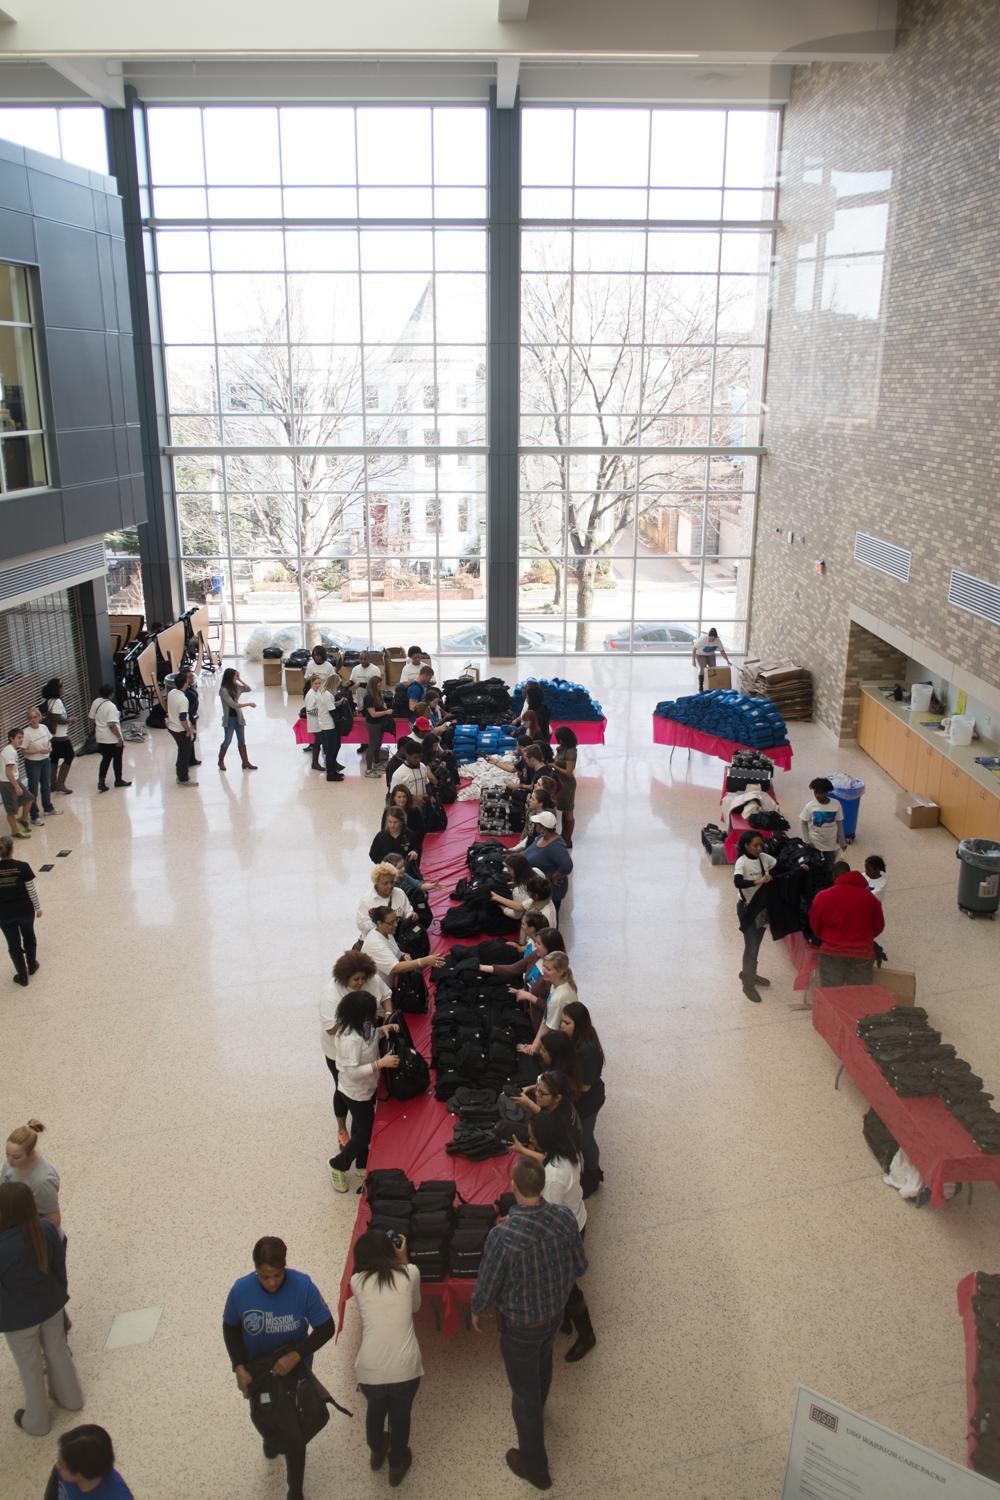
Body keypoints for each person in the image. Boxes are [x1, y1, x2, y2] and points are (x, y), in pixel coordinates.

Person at [470, 1155, 587, 1490]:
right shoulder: (564, 1218)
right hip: (555, 1313)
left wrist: (477, 1309)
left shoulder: (502, 1236)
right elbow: (580, 1265)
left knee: (523, 1393)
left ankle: (535, 1467)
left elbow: (489, 1283)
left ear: (513, 1186)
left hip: (520, 1325)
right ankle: (541, 1402)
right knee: (544, 1360)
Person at [223, 1235, 335, 1500]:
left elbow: (326, 1327)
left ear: (285, 1267)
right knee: (263, 1413)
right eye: (265, 1277)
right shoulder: (241, 1291)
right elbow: (231, 1327)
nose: (272, 1283)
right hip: (259, 1373)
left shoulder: (303, 1287)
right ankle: (271, 1441)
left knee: (294, 1437)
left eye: (277, 1275)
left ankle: (295, 1491)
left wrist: (297, 1355)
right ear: (256, 1271)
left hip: (294, 1374)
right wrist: (238, 1366)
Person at [0, 1181, 83, 1436]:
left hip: (17, 1317)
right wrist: (59, 1292)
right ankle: (72, 1399)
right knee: (58, 1353)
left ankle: (37, 1421)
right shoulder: (46, 1229)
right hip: (51, 1303)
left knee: (30, 1367)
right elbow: (60, 1264)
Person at [351, 1229, 423, 1486]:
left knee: (375, 1411)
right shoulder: (410, 1274)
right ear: (390, 1250)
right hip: (406, 1369)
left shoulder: (357, 1283)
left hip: (370, 1370)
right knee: (401, 1416)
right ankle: (396, 1463)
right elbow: (415, 1307)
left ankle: (376, 1449)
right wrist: (403, 1259)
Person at [327, 990, 401, 1192]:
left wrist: (382, 1029)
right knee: (366, 1132)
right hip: (354, 1092)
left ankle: (361, 1162)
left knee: (361, 1126)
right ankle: (338, 1164)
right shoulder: (350, 1039)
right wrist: (380, 1063)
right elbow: (351, 1072)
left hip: (366, 1089)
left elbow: (370, 1037)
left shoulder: (364, 1026)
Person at [321, 953, 393, 1148]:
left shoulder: (370, 982)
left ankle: (361, 1151)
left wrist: (385, 1020)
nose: (361, 982)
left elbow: (386, 995)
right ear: (345, 978)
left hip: (364, 1040)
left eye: (363, 978)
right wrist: (357, 1019)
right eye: (356, 979)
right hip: (340, 1054)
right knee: (343, 1090)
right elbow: (331, 1029)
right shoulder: (331, 995)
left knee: (362, 1114)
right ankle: (342, 1129)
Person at [809, 861, 885, 988]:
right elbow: (879, 926)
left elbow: (815, 926)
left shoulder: (822, 897)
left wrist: (828, 938)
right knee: (857, 996)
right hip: (862, 953)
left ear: (834, 877)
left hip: (832, 953)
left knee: (831, 995)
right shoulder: (871, 899)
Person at [560, 1001, 605, 1197]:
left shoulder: (587, 1050)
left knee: (586, 1139)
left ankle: (593, 1174)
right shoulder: (580, 1038)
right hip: (582, 1097)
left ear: (578, 1024)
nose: (562, 1026)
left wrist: (560, 1087)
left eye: (566, 1023)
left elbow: (585, 1086)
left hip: (588, 1101)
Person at [733, 829, 777, 1003]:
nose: (759, 848)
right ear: (746, 846)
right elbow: (737, 882)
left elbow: (779, 865)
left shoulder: (765, 858)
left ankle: (751, 973)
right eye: (755, 845)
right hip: (747, 910)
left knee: (756, 945)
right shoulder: (741, 863)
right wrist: (758, 881)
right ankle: (747, 982)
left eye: (761, 844)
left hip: (762, 909)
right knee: (751, 946)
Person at [45, 1423, 134, 1500]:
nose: (57, 1466)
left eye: (62, 1465)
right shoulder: (64, 1468)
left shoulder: (118, 1497)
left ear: (81, 1473)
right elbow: (51, 1494)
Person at [360, 906, 444, 985]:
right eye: (391, 922)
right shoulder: (376, 944)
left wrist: (402, 955)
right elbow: (396, 967)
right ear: (379, 923)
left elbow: (394, 950)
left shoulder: (386, 932)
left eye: (396, 920)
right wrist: (424, 961)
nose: (395, 925)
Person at [0, 835, 42, 984]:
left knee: (13, 944)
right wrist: (38, 908)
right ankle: (32, 965)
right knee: (29, 936)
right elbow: (31, 891)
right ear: (12, 849)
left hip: (4, 913)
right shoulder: (23, 866)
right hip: (25, 910)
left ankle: (22, 975)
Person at [2, 1121, 60, 1227]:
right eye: (7, 1154)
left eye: (16, 1157)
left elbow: (53, 1221)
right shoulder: (11, 1164)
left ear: (31, 1153)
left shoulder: (43, 1181)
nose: (9, 1161)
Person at [520, 952, 577, 1053]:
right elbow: (546, 1018)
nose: (543, 971)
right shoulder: (559, 983)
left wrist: (534, 1049)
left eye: (549, 969)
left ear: (561, 972)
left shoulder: (558, 997)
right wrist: (534, 1045)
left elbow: (549, 1030)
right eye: (544, 966)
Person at [524, 812, 573, 909]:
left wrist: (555, 876)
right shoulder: (541, 838)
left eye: (537, 824)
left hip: (550, 894)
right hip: (538, 889)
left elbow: (567, 865)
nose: (535, 826)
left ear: (543, 828)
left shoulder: (556, 846)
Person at [88, 687, 130, 794]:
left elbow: (92, 718)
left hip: (101, 737)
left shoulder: (96, 702)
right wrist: (119, 738)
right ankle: (118, 780)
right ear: (111, 694)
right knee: (117, 759)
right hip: (112, 738)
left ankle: (101, 782)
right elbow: (112, 724)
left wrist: (96, 729)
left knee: (105, 759)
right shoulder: (111, 707)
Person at [22, 709, 59, 825]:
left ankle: (48, 807)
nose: (33, 720)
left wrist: (49, 748)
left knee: (46, 785)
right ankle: (34, 815)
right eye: (30, 718)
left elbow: (49, 741)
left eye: (35, 717)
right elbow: (24, 751)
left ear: (39, 717)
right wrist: (38, 750)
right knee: (33, 789)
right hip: (33, 763)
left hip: (45, 760)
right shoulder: (26, 732)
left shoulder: (43, 728)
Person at [304, 674, 344, 783]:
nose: (318, 685)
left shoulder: (321, 693)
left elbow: (325, 705)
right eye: (315, 683)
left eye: (319, 683)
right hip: (319, 723)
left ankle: (330, 768)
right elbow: (310, 711)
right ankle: (329, 770)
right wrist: (321, 714)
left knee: (325, 746)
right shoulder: (311, 695)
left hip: (322, 722)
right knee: (327, 747)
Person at [356, 863, 413, 938]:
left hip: (399, 938)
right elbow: (361, 924)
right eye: (385, 883)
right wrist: (381, 925)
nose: (390, 886)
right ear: (376, 883)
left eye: (392, 882)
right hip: (376, 941)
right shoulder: (366, 900)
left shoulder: (400, 893)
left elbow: (408, 911)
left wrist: (411, 915)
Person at [799, 778, 846, 867]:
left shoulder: (836, 804)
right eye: (815, 792)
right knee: (815, 867)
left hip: (830, 844)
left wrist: (842, 842)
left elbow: (839, 824)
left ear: (826, 792)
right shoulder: (810, 806)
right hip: (815, 844)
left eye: (820, 793)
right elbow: (803, 823)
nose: (817, 795)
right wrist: (807, 841)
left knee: (830, 867)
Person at [218, 667, 257, 770]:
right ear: (230, 677)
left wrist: (240, 679)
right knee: (227, 740)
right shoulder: (223, 690)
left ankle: (245, 762)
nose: (236, 677)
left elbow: (248, 689)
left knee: (242, 741)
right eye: (235, 675)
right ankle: (220, 761)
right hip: (229, 720)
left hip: (239, 718)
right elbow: (233, 705)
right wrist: (248, 704)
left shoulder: (236, 687)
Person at [40, 678, 74, 796]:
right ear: (57, 689)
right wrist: (70, 720)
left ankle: (53, 784)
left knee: (54, 758)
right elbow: (59, 718)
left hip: (52, 736)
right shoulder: (57, 702)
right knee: (69, 755)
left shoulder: (49, 701)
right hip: (60, 735)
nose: (63, 689)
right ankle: (60, 783)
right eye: (62, 687)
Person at [165, 669, 196, 785]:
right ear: (184, 683)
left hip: (172, 728)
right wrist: (188, 730)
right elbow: (183, 718)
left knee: (181, 750)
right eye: (187, 681)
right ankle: (183, 778)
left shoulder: (172, 693)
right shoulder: (183, 699)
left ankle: (180, 771)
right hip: (180, 729)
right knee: (184, 753)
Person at [2, 729, 34, 838]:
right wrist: (16, 786)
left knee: (29, 798)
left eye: (22, 738)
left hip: (15, 780)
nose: (21, 740)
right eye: (19, 737)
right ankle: (15, 831)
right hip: (8, 783)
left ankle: (23, 819)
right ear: (11, 738)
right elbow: (8, 771)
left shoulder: (12, 750)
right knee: (11, 810)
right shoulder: (9, 751)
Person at [362, 673, 395, 778]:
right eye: (379, 684)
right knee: (372, 745)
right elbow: (373, 714)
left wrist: (384, 707)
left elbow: (382, 705)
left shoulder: (378, 694)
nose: (380, 685)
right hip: (373, 724)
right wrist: (386, 712)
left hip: (380, 723)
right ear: (374, 685)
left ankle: (376, 762)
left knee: (378, 743)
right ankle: (368, 769)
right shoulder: (368, 697)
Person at [551, 728, 578, 846]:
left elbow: (568, 771)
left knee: (568, 810)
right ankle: (563, 835)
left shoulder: (571, 751)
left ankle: (568, 838)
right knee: (562, 809)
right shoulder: (562, 749)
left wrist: (553, 766)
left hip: (567, 784)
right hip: (559, 782)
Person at [389, 739, 432, 804]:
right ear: (407, 755)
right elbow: (393, 794)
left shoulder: (422, 766)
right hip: (409, 808)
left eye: (420, 757)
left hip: (424, 806)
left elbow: (426, 783)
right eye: (415, 757)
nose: (418, 760)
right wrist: (412, 798)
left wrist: (430, 796)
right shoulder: (398, 774)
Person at [387, 785, 425, 855]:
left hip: (411, 848)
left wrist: (414, 846)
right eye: (399, 797)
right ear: (394, 798)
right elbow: (384, 830)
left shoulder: (415, 811)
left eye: (404, 797)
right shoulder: (387, 811)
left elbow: (421, 831)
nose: (402, 799)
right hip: (392, 849)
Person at [691, 627, 731, 692]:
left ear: (716, 638)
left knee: (713, 668)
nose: (711, 640)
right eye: (710, 638)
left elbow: (722, 652)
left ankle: (712, 683)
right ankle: (701, 685)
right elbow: (694, 649)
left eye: (713, 639)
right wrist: (693, 660)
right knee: (702, 668)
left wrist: (727, 660)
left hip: (711, 655)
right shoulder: (703, 639)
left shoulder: (718, 641)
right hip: (700, 655)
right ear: (708, 636)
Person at [183, 672, 202, 767]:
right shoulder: (187, 693)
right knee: (189, 740)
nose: (192, 678)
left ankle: (192, 759)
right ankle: (188, 761)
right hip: (190, 719)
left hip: (192, 716)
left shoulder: (189, 689)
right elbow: (188, 711)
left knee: (191, 740)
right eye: (189, 676)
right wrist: (193, 723)